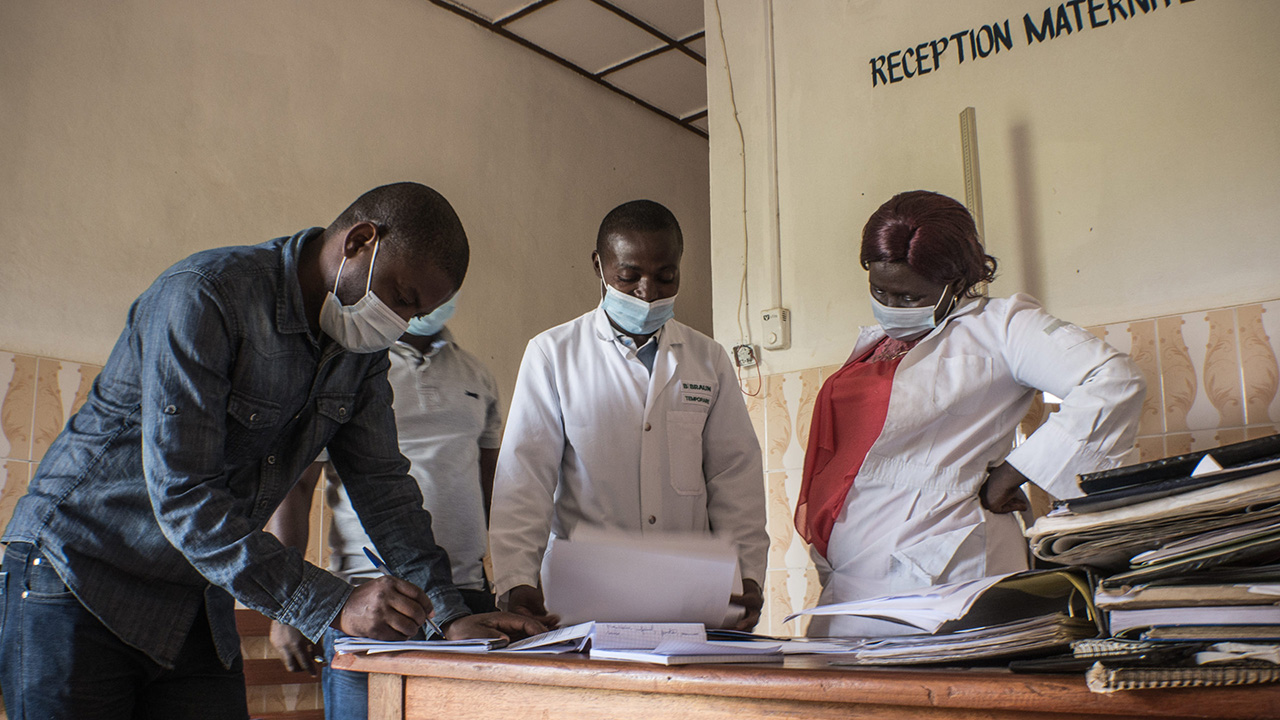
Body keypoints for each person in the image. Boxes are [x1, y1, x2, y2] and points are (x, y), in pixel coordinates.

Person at [0, 182, 541, 719]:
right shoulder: (206, 294)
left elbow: (385, 490)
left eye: (415, 314)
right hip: (79, 575)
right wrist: (335, 604)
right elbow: (184, 493)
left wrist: (447, 618)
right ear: (359, 241)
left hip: (192, 593)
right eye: (401, 298)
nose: (399, 324)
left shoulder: (361, 352)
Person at [795, 190, 1146, 636]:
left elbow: (1113, 381)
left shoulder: (1002, 327)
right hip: (849, 576)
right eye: (880, 291)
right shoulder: (876, 349)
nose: (891, 307)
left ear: (955, 282)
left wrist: (1013, 473)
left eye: (908, 297)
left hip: (940, 567)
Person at [488, 199, 769, 630]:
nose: (647, 292)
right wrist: (515, 579)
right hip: (584, 594)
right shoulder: (553, 353)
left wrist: (747, 573)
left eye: (665, 276)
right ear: (599, 266)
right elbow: (524, 476)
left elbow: (735, 476)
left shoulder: (706, 359)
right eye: (629, 276)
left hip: (687, 593)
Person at [267, 295, 504, 719]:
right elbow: (297, 487)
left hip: (467, 596)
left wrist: (509, 581)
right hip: (368, 600)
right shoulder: (344, 370)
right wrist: (286, 606)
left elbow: (496, 489)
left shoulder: (477, 374)